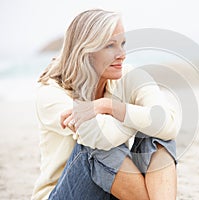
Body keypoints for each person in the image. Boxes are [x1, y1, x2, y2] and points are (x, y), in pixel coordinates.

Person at [32, 8, 180, 200]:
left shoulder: (129, 77)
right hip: (63, 194)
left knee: (157, 135)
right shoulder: (51, 93)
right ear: (86, 51)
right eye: (110, 46)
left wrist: (109, 107)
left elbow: (168, 123)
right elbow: (100, 137)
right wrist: (139, 119)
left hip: (110, 191)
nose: (122, 54)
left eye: (123, 44)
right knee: (98, 144)